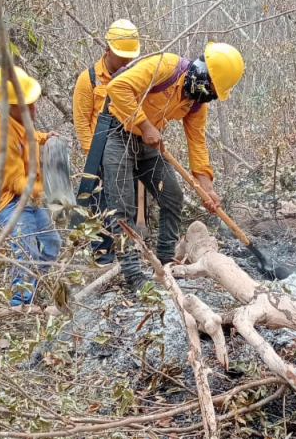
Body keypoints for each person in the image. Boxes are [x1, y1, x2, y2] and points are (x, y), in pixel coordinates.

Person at [104, 42, 244, 292]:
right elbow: (118, 86)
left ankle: (166, 260)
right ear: (203, 76)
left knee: (172, 196)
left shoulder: (196, 104)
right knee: (123, 207)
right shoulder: (166, 67)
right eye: (212, 89)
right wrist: (145, 125)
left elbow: (197, 143)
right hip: (117, 135)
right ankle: (134, 276)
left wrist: (207, 189)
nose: (211, 96)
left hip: (151, 145)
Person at [0, 65, 61, 306]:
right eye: (27, 105)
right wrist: (49, 190)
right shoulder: (1, 139)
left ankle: (36, 285)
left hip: (30, 197)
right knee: (26, 254)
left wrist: (44, 137)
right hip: (9, 203)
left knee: (52, 244)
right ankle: (20, 306)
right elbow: (17, 184)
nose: (33, 108)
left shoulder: (18, 122)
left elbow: (28, 136)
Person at [72, 20, 142, 264]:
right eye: (121, 56)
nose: (125, 62)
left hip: (127, 150)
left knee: (126, 204)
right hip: (100, 153)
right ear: (108, 49)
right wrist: (94, 158)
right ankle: (103, 256)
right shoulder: (89, 79)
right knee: (100, 204)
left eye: (128, 57)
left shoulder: (135, 77)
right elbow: (81, 121)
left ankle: (129, 252)